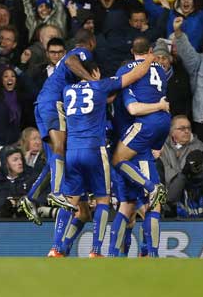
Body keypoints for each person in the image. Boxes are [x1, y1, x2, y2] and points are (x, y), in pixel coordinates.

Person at [54, 54, 157, 258]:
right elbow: (134, 74)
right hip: (96, 150)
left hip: (72, 151)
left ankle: (56, 248)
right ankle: (97, 251)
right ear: (94, 73)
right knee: (105, 201)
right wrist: (150, 59)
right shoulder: (100, 86)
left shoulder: (66, 91)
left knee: (70, 201)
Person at [18, 29, 97, 221]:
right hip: (54, 104)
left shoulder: (64, 62)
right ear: (91, 42)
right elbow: (71, 62)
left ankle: (30, 198)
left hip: (43, 104)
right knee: (61, 146)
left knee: (55, 156)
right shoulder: (81, 52)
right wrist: (92, 81)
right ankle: (57, 192)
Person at [109, 38, 173, 258]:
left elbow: (134, 108)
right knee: (149, 207)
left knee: (127, 204)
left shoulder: (125, 74)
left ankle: (114, 256)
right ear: (150, 51)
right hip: (155, 131)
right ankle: (150, 254)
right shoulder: (161, 71)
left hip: (135, 133)